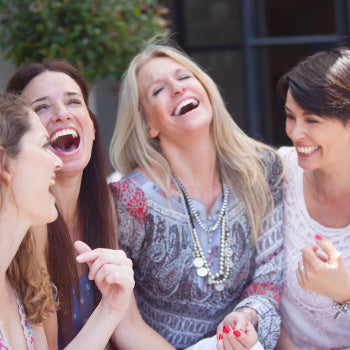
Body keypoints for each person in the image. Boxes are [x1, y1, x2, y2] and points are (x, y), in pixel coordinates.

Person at [108, 40, 285, 350]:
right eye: (158, 90)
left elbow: (271, 274)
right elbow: (118, 314)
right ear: (149, 123)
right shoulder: (129, 199)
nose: (177, 89)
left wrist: (248, 315)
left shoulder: (263, 170)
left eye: (184, 77)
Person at [6, 61, 174, 350]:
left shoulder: (102, 202)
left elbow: (129, 327)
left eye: (73, 101)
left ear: (93, 128)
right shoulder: (26, 226)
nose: (61, 113)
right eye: (42, 107)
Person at [0, 92, 135, 350]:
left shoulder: (18, 280)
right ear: (4, 165)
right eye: (42, 146)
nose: (57, 162)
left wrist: (111, 309)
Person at [276, 47, 350, 349]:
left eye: (313, 120)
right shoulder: (280, 173)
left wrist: (343, 292)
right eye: (290, 116)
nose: (295, 133)